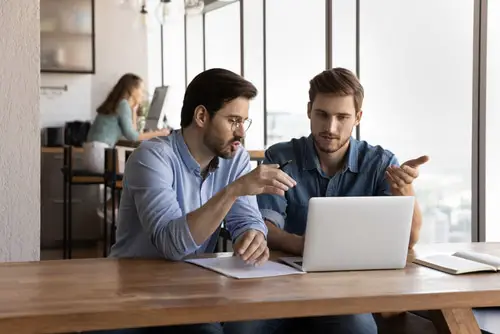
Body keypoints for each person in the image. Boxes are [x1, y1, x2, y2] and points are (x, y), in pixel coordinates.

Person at [224, 68, 429, 334]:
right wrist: (305, 246)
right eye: (322, 114)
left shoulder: (380, 163)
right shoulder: (282, 156)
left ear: (358, 117)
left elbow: (409, 240)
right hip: (282, 284)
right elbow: (264, 227)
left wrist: (405, 189)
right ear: (309, 110)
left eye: (342, 117)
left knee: (358, 328)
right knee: (242, 329)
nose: (330, 128)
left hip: (350, 289)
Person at [103, 68, 296, 334]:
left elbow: (247, 219)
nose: (241, 132)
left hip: (192, 288)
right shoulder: (151, 158)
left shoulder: (234, 157)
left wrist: (253, 236)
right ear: (202, 116)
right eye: (233, 120)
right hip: (133, 292)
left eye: (244, 122)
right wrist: (233, 191)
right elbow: (171, 245)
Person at [83, 73, 170, 174]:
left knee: (138, 168)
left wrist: (133, 110)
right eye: (141, 90)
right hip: (100, 156)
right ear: (133, 90)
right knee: (143, 170)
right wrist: (160, 133)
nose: (142, 94)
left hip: (91, 155)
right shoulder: (123, 104)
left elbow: (132, 131)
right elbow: (133, 136)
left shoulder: (119, 104)